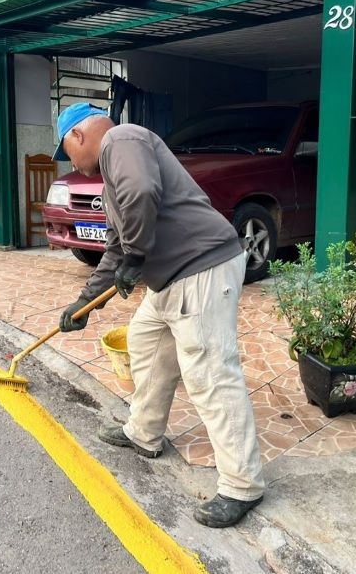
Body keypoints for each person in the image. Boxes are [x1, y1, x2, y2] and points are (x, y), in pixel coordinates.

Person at [53, 103, 266, 528]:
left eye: (66, 153)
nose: (71, 164)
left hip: (200, 268)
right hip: (170, 279)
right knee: (147, 343)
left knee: (210, 374)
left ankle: (243, 485)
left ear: (77, 136)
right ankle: (143, 433)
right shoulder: (112, 175)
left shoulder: (122, 138)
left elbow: (142, 195)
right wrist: (83, 303)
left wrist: (136, 253)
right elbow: (117, 249)